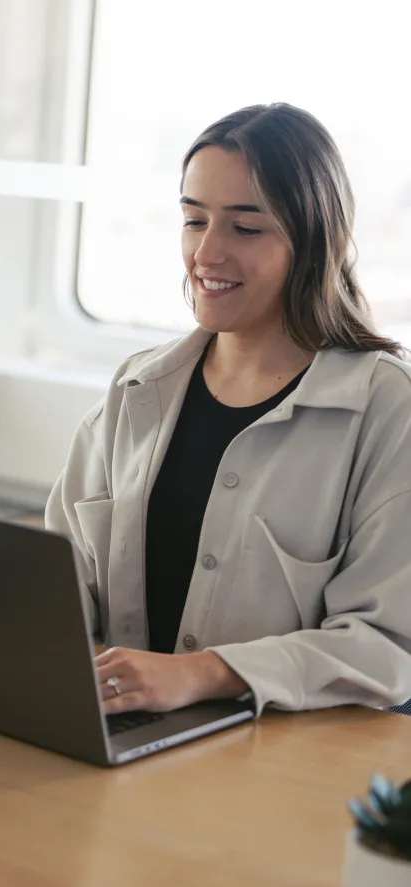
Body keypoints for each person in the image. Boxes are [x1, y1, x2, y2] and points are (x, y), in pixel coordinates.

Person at [45, 103, 411, 717]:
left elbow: (388, 646)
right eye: (194, 220)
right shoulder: (137, 388)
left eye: (246, 228)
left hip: (283, 766)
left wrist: (202, 674)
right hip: (128, 739)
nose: (207, 254)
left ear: (317, 242)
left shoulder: (386, 409)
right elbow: (58, 578)